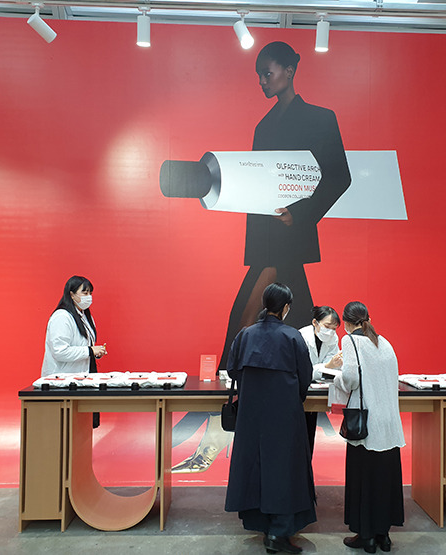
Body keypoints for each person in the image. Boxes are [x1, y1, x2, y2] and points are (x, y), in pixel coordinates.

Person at [172, 40, 351, 473]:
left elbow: (339, 176)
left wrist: (302, 213)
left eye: (267, 73)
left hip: (290, 236)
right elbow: (258, 183)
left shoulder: (321, 118)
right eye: (258, 76)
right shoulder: (264, 125)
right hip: (267, 237)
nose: (262, 81)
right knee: (297, 331)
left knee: (249, 319)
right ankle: (244, 425)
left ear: (289, 70)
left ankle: (220, 423)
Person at [225, 283, 316, 555]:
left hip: (251, 416)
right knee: (285, 469)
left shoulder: (245, 334)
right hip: (285, 415)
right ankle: (279, 532)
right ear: (285, 307)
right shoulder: (292, 337)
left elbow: (232, 370)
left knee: (255, 466)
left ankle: (261, 523)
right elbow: (305, 377)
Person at [333, 301, 405, 554]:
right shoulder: (384, 342)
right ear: (368, 319)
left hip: (366, 424)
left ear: (345, 323)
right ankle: (383, 536)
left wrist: (336, 377)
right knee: (384, 479)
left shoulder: (350, 341)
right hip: (389, 425)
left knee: (363, 479)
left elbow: (350, 378)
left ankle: (366, 536)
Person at [41, 275, 108, 427]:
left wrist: (95, 352)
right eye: (84, 293)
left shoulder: (85, 317)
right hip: (62, 380)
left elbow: (85, 346)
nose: (88, 297)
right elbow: (60, 352)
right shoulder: (62, 317)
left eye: (90, 293)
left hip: (83, 377)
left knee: (82, 425)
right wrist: (89, 351)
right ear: (71, 294)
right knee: (66, 424)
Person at [299, 305, 343, 455]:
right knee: (299, 432)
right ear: (315, 322)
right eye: (327, 326)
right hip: (300, 389)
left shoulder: (333, 338)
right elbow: (303, 369)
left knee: (310, 431)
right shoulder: (301, 337)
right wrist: (328, 366)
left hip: (318, 388)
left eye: (334, 328)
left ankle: (307, 464)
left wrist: (334, 365)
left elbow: (332, 368)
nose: (330, 331)